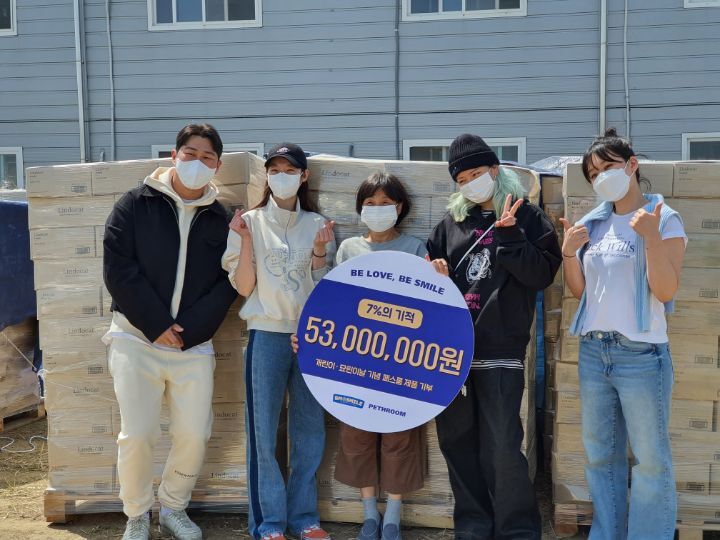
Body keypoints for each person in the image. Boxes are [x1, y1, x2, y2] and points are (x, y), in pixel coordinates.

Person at [103, 123, 238, 540]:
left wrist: (188, 330)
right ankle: (137, 514)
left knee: (194, 433)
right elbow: (118, 268)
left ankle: (174, 507)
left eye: (207, 157)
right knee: (138, 433)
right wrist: (157, 325)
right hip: (135, 338)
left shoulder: (222, 219)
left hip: (191, 345)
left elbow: (228, 283)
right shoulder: (135, 204)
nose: (197, 163)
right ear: (173, 156)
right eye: (190, 154)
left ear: (217, 166)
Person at [426, 134, 560, 540]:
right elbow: (426, 285)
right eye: (462, 178)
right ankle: (473, 528)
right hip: (450, 353)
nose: (470, 183)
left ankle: (517, 530)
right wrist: (436, 276)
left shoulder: (528, 217)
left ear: (495, 170)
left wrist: (511, 236)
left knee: (502, 446)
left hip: (501, 348)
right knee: (456, 443)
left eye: (476, 173)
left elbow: (541, 275)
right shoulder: (450, 225)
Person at [561, 128, 686, 540]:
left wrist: (650, 237)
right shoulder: (592, 223)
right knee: (601, 456)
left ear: (631, 165)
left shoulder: (663, 218)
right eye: (593, 173)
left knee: (650, 462)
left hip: (641, 355)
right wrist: (569, 252)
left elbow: (665, 290)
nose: (601, 177)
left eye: (608, 167)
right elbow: (582, 293)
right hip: (595, 352)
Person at [292, 172, 427, 540]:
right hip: (356, 357)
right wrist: (312, 338)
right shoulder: (349, 249)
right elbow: (330, 300)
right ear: (360, 208)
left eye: (386, 203)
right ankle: (369, 514)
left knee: (400, 433)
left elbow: (430, 305)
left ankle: (393, 515)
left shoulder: (415, 248)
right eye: (370, 203)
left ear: (400, 207)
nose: (378, 209)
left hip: (401, 359)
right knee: (357, 432)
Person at [222, 143, 336, 540]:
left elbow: (327, 291)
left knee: (310, 431)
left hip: (311, 339)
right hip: (266, 334)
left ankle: (305, 519)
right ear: (267, 175)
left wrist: (319, 252)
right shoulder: (248, 222)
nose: (281, 176)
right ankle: (269, 524)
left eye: (290, 170)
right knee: (264, 433)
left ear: (304, 176)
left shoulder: (318, 224)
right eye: (275, 169)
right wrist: (245, 239)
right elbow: (244, 287)